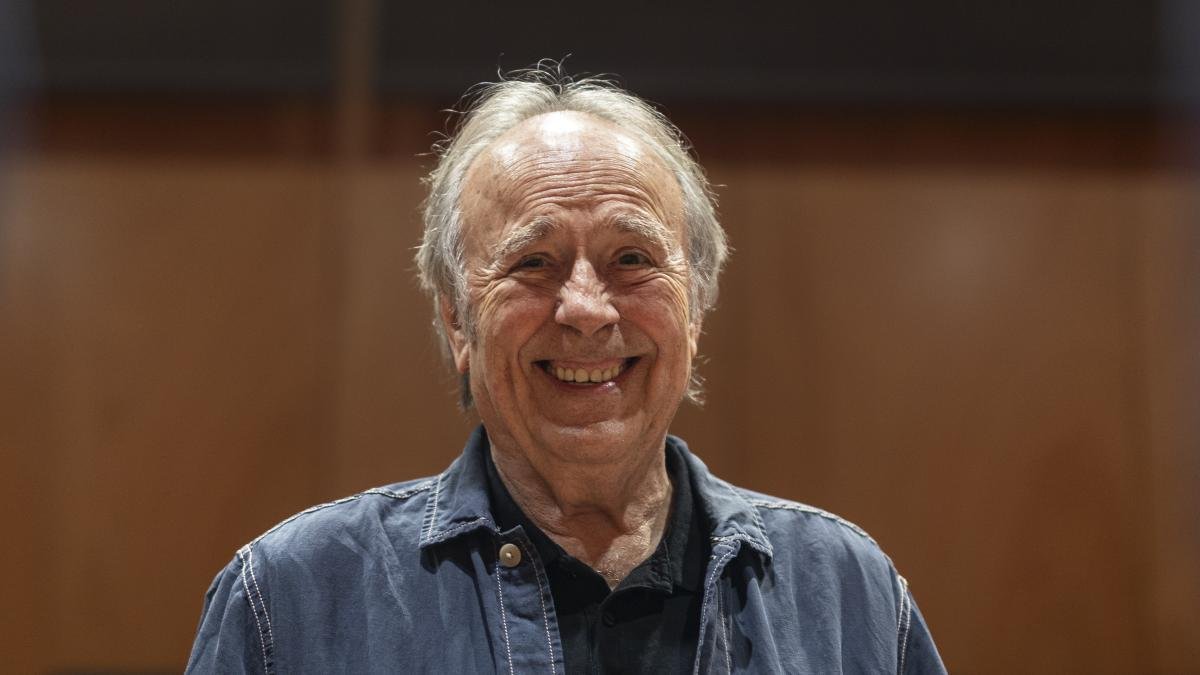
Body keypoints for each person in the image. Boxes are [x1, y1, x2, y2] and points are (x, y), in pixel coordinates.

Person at [186, 65, 947, 674]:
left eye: (632, 258)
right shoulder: (292, 600)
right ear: (457, 319)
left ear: (694, 310)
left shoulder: (849, 596)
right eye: (533, 262)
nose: (586, 308)